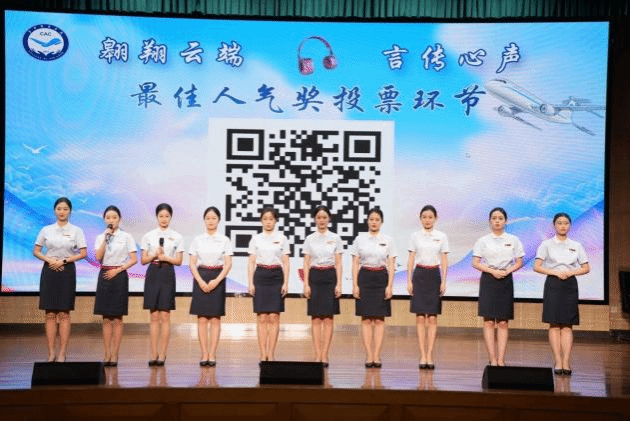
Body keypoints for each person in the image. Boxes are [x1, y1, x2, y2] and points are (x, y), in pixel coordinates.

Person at [33, 197, 87, 362]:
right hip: (49, 270)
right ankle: (51, 353)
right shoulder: (46, 229)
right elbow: (36, 251)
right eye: (59, 209)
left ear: (70, 211)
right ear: (54, 211)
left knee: (64, 313)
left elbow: (83, 253)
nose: (62, 212)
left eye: (65, 209)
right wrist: (49, 260)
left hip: (66, 271)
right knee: (49, 313)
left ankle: (62, 353)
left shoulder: (76, 230)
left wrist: (63, 261)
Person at [534, 212, 589, 375]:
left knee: (567, 325)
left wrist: (571, 273)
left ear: (570, 226)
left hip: (570, 284)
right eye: (559, 223)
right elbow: (537, 266)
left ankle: (566, 361)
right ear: (554, 225)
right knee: (554, 324)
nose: (563, 226)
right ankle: (558, 361)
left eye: (566, 223)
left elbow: (586, 267)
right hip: (553, 283)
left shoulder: (576, 245)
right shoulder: (546, 244)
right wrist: (555, 272)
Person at [472, 207, 524, 366]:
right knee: (488, 321)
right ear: (490, 221)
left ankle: (501, 359)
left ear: (505, 221)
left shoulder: (513, 239)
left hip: (505, 279)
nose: (497, 221)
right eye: (494, 218)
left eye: (500, 218)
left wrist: (507, 271)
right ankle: (492, 359)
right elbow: (475, 263)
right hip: (489, 279)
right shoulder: (483, 240)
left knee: (503, 322)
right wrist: (492, 271)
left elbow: (519, 262)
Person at [351, 207, 397, 368]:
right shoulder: (360, 239)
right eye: (371, 219)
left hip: (381, 278)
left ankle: (376, 355)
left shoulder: (388, 240)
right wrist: (355, 285)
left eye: (377, 220)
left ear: (381, 222)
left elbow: (391, 264)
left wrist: (390, 285)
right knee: (365, 319)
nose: (374, 222)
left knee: (379, 319)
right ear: (367, 221)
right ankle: (368, 355)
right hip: (365, 277)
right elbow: (355, 262)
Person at [140, 203, 184, 366]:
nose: (164, 219)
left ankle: (163, 354)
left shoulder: (177, 236)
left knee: (165, 315)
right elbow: (143, 260)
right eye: (161, 216)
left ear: (170, 217)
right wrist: (154, 255)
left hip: (167, 272)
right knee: (154, 315)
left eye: (167, 216)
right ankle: (153, 353)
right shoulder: (149, 236)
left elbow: (179, 261)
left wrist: (166, 258)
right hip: (153, 272)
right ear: (157, 217)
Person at [93, 205, 137, 366]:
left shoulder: (126, 237)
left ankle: (115, 354)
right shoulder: (100, 237)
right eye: (108, 217)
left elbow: (133, 259)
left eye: (114, 217)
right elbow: (98, 257)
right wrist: (105, 238)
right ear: (104, 220)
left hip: (119, 275)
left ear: (119, 219)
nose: (111, 220)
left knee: (118, 318)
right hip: (105, 274)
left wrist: (117, 270)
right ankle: (106, 354)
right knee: (106, 318)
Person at [189, 206, 233, 367]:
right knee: (202, 318)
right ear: (204, 220)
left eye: (214, 218)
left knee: (215, 318)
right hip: (201, 276)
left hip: (217, 278)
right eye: (208, 218)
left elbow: (228, 264)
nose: (211, 221)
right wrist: (200, 281)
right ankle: (204, 354)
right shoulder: (197, 239)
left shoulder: (224, 240)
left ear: (218, 220)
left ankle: (212, 354)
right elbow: (192, 263)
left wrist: (217, 281)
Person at [407, 205, 449, 369]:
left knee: (432, 317)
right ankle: (422, 355)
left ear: (435, 219)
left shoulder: (441, 236)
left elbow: (444, 260)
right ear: (420, 219)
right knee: (419, 317)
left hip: (434, 275)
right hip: (419, 275)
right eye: (424, 217)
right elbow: (411, 258)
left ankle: (430, 355)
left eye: (430, 217)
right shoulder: (415, 236)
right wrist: (409, 280)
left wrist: (444, 281)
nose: (427, 220)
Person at [247, 207, 290, 363]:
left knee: (274, 317)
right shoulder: (255, 239)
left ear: (275, 220)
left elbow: (286, 262)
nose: (268, 222)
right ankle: (262, 353)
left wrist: (286, 282)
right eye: (265, 219)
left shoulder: (282, 238)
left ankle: (271, 354)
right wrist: (250, 283)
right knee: (262, 317)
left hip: (276, 276)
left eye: (271, 219)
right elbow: (251, 262)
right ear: (261, 221)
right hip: (261, 276)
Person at [303, 205, 343, 366]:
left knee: (328, 318)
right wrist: (306, 284)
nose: (321, 220)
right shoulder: (309, 239)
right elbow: (306, 262)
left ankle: (325, 355)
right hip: (315, 276)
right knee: (315, 318)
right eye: (319, 217)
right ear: (315, 219)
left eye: (324, 217)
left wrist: (339, 283)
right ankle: (317, 355)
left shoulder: (336, 238)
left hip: (330, 276)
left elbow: (338, 263)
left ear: (329, 219)